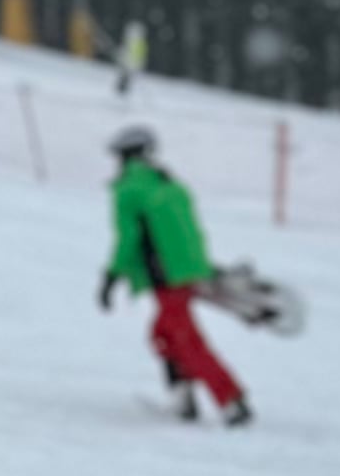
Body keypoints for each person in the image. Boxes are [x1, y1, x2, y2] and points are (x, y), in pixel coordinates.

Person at [99, 121, 250, 425]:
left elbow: (128, 239)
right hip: (188, 271)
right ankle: (183, 397)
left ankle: (231, 401)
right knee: (164, 334)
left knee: (185, 339)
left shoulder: (129, 190)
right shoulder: (170, 185)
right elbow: (189, 232)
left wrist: (111, 277)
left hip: (165, 275)